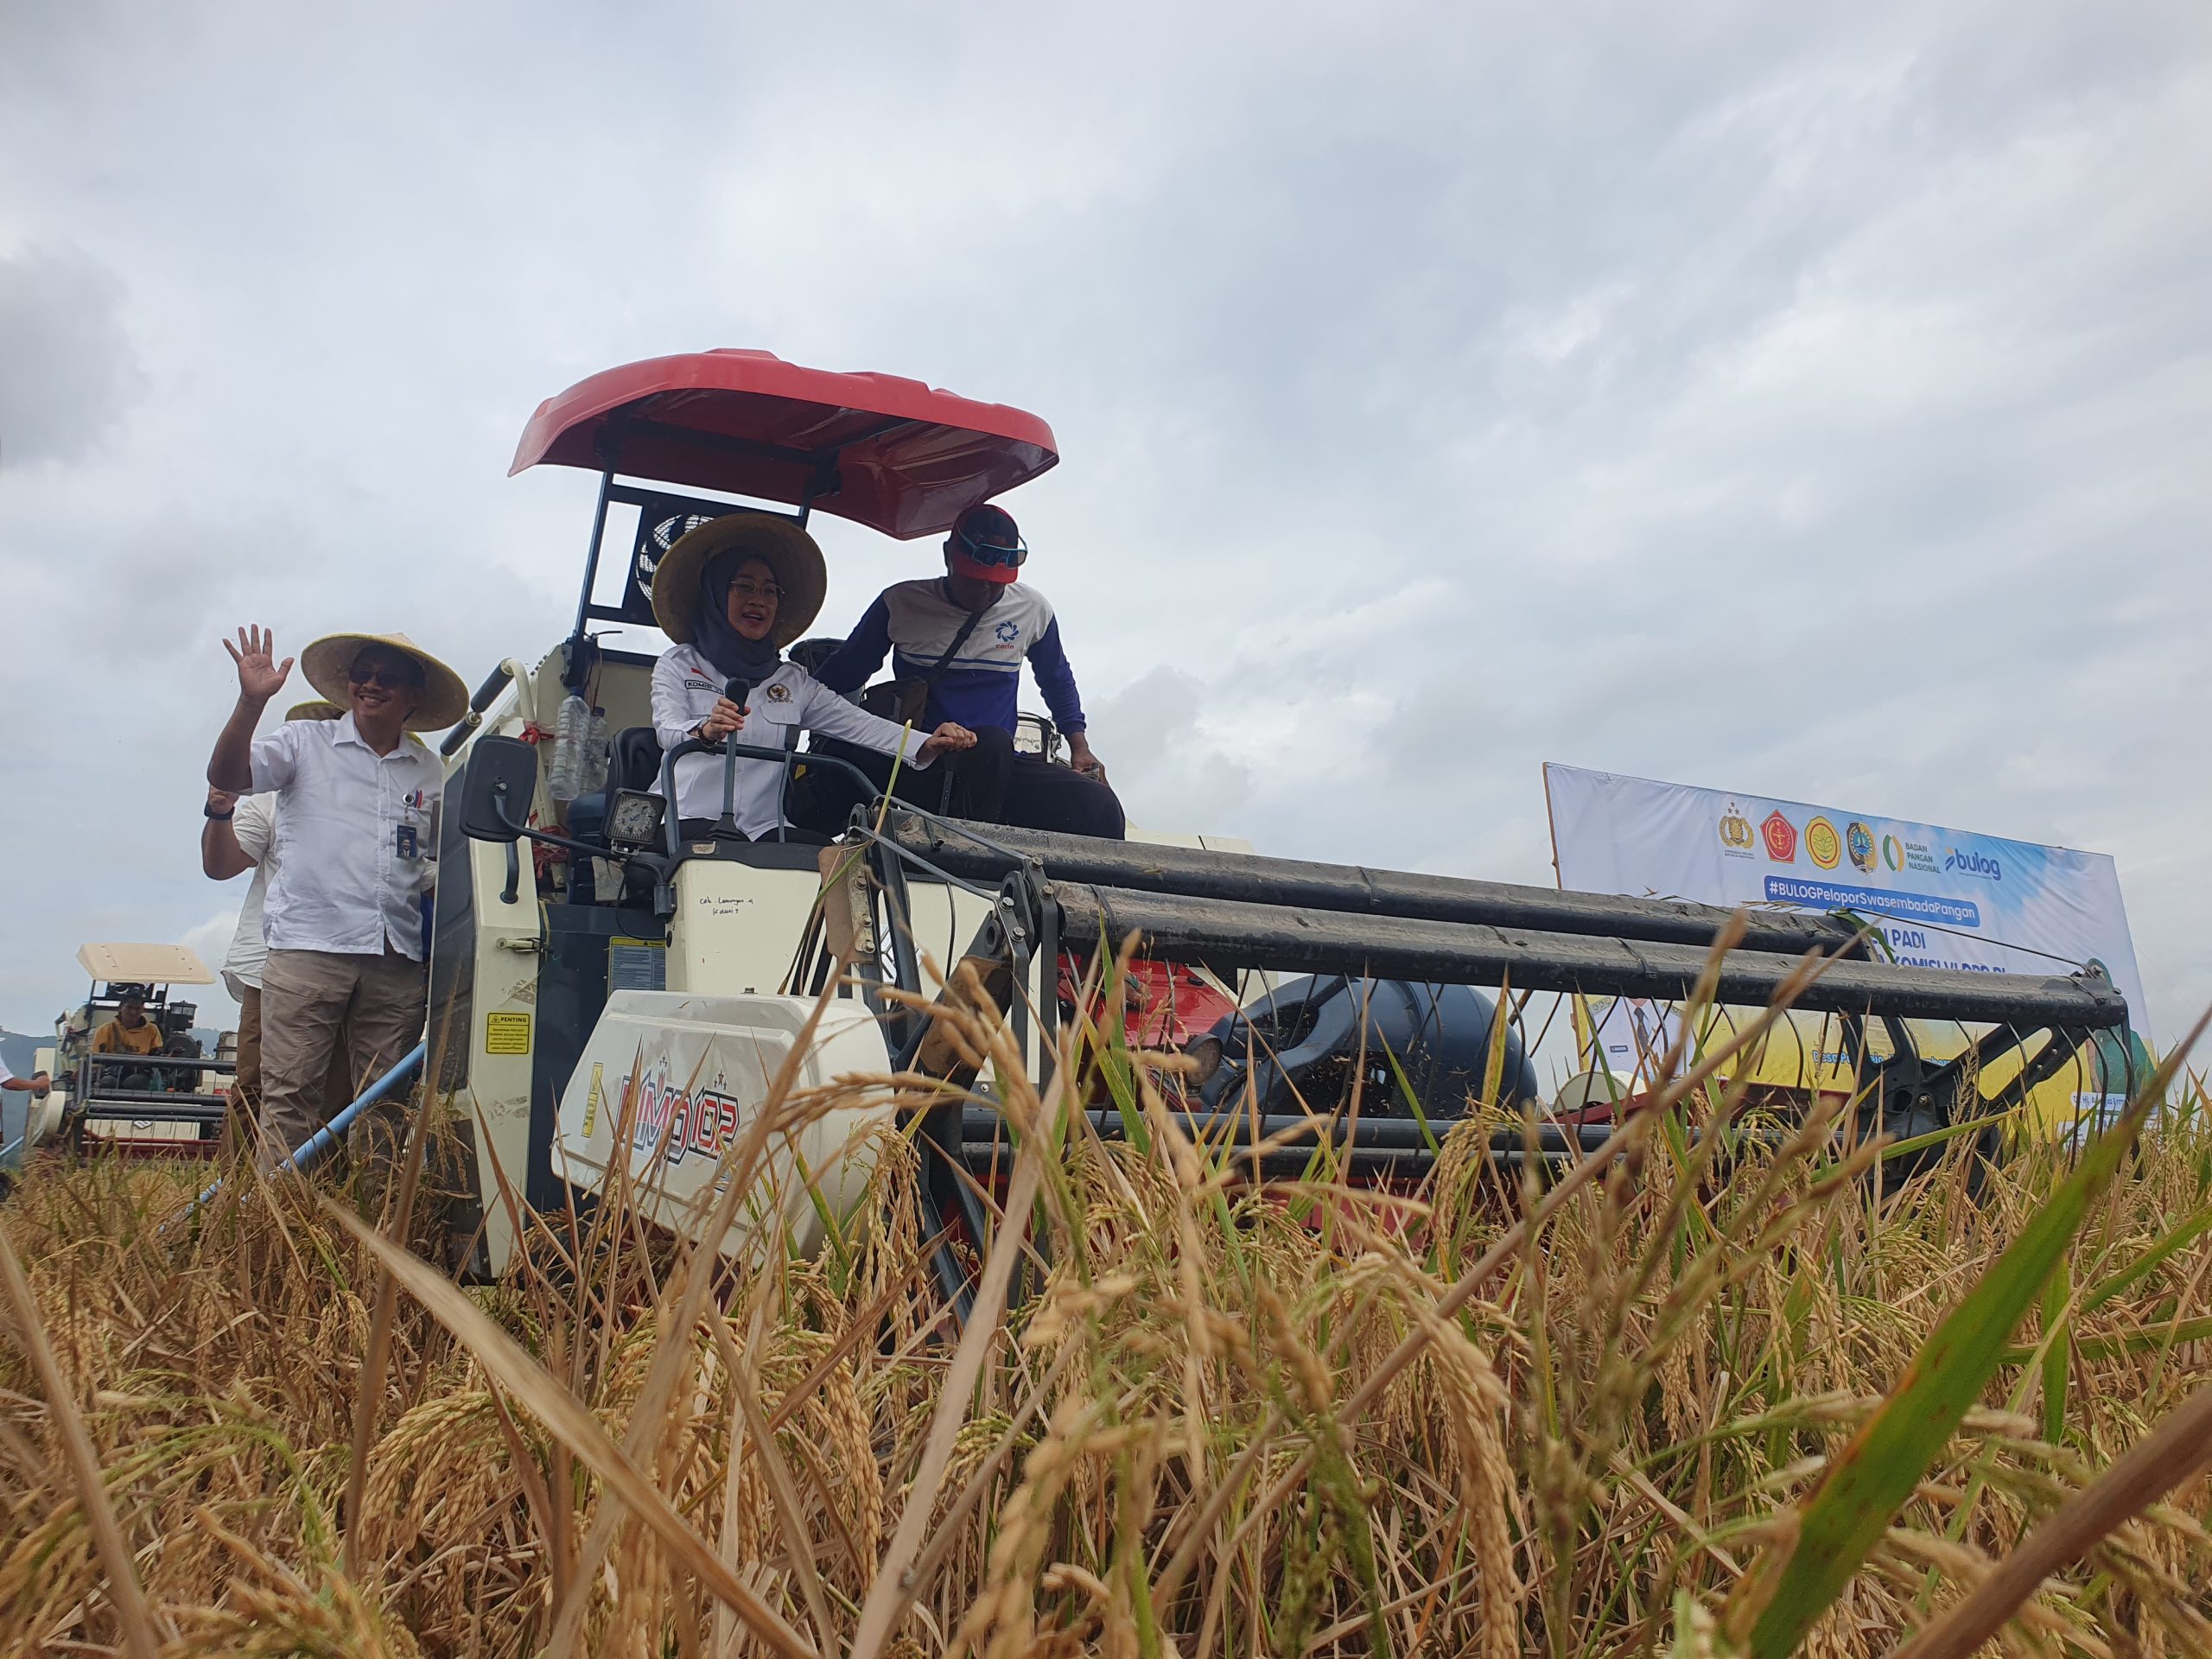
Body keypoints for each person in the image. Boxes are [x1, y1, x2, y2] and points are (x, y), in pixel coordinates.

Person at [207, 626, 465, 1168]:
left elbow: (448, 860)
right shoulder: (303, 743)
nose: (371, 685)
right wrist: (251, 702)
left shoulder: (429, 772)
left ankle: (370, 1238)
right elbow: (227, 774)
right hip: (307, 953)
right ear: (347, 685)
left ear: (413, 697)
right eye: (362, 675)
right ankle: (273, 1239)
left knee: (382, 1111)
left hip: (394, 964)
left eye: (387, 678)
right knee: (289, 1103)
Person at [648, 515, 975, 842]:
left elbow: (860, 724)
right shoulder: (678, 664)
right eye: (743, 586)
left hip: (763, 830)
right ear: (716, 594)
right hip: (684, 821)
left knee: (828, 857)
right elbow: (667, 729)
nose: (758, 600)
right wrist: (705, 730)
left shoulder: (792, 680)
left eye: (769, 590)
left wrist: (925, 742)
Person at [813, 502, 1125, 837]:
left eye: (997, 582)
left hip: (999, 765)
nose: (986, 590)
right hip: (920, 761)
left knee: (1098, 805)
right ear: (949, 556)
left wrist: (1080, 747)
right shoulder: (901, 604)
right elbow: (840, 677)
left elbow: (1057, 680)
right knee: (989, 742)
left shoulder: (1032, 610)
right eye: (975, 578)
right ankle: (955, 853)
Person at [202, 700, 347, 1132]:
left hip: (356, 966)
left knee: (338, 1092)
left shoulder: (382, 802)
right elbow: (222, 865)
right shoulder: (269, 802)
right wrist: (220, 811)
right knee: (256, 1084)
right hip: (272, 968)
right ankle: (241, 1194)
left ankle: (317, 1193)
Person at [90, 989, 164, 1058]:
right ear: (120, 1008)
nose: (133, 1012)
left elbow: (156, 1056)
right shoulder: (104, 1030)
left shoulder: (152, 1030)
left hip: (141, 1070)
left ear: (143, 1010)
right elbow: (96, 1059)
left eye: (137, 1009)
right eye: (129, 1007)